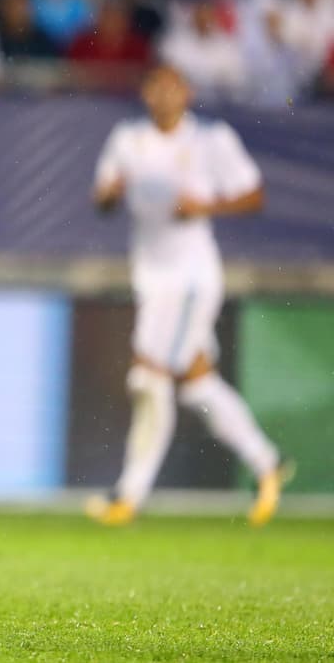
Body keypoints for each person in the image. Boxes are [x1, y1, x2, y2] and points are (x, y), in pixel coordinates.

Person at [88, 65, 290, 528]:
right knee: (198, 383)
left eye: (171, 86)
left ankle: (129, 495)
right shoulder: (128, 140)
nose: (163, 94)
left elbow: (254, 194)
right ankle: (267, 462)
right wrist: (110, 194)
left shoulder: (210, 141)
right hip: (151, 277)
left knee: (148, 375)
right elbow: (100, 201)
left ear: (187, 92)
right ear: (145, 92)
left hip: (189, 278)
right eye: (155, 85)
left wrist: (207, 206)